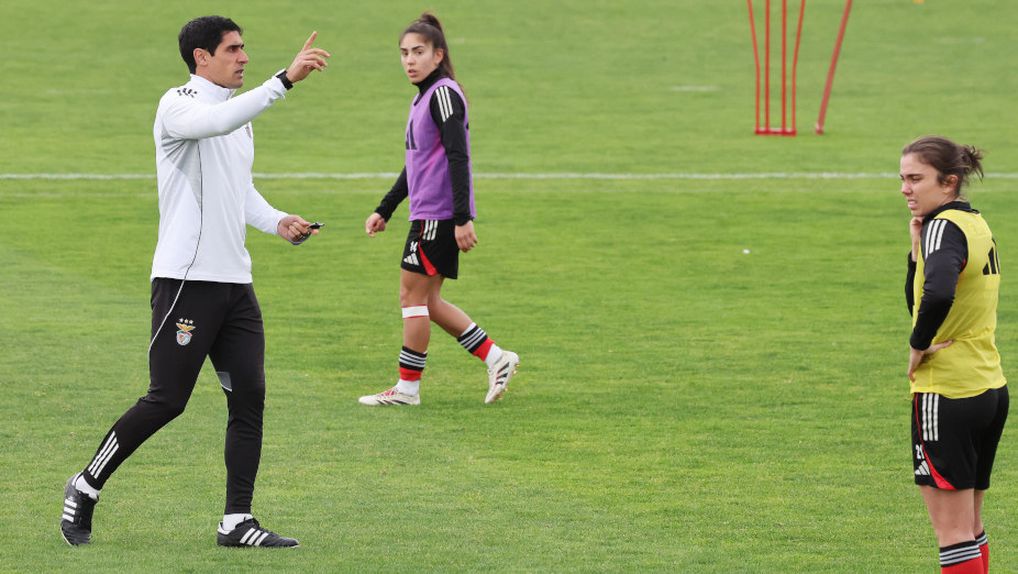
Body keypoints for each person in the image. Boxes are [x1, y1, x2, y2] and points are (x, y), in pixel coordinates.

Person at [59, 16, 329, 547]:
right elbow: (217, 123)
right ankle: (86, 484)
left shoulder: (236, 115)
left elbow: (239, 188)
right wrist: (285, 80)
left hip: (235, 285)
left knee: (249, 397)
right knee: (167, 400)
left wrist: (277, 221)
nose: (244, 58)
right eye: (233, 50)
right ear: (202, 56)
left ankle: (237, 521)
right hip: (187, 282)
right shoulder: (178, 105)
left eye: (245, 48)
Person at [359, 13, 519, 407]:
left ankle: (407, 390)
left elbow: (458, 156)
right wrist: (387, 208)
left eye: (418, 52)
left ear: (437, 54)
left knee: (410, 298)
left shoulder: (444, 94)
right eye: (404, 53)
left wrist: (463, 218)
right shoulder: (423, 97)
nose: (409, 60)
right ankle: (497, 358)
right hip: (428, 213)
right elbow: (416, 163)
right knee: (427, 302)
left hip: (439, 216)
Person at [901, 136, 1008, 574]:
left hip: (947, 391)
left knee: (952, 535)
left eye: (915, 179)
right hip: (988, 387)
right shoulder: (973, 224)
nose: (906, 189)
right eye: (902, 179)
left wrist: (917, 345)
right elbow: (930, 289)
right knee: (971, 526)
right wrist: (915, 249)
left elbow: (939, 291)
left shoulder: (943, 228)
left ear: (948, 182)